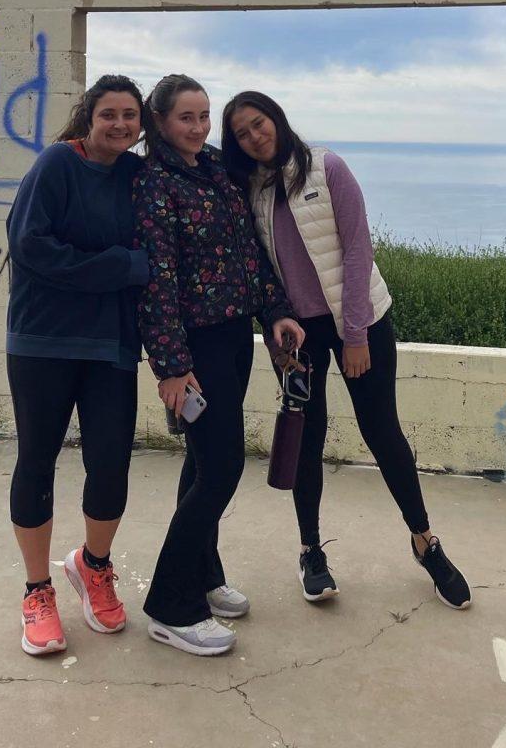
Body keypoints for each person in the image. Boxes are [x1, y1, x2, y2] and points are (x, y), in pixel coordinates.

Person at [222, 90, 471, 611]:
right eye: (242, 133)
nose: (253, 137)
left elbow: (358, 249)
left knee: (383, 432)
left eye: (258, 124)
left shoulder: (327, 167)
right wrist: (274, 328)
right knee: (305, 439)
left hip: (360, 320)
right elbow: (261, 268)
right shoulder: (250, 187)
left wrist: (355, 333)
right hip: (298, 335)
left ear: (277, 119)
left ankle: (425, 541)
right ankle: (311, 552)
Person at [133, 74, 305, 657]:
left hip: (233, 336)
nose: (200, 127)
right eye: (187, 117)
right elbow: (156, 282)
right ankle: (170, 606)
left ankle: (202, 576)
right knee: (224, 466)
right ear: (159, 121)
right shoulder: (152, 183)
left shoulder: (212, 166)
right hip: (193, 347)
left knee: (202, 465)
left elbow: (247, 251)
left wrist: (275, 310)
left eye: (205, 115)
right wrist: (172, 367)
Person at [5, 74, 150, 657]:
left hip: (111, 343)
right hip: (42, 339)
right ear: (89, 116)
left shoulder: (139, 176)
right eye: (109, 113)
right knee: (37, 460)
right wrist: (122, 266)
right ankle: (37, 591)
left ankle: (93, 567)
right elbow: (31, 246)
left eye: (131, 116)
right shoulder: (55, 166)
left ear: (143, 126)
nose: (120, 124)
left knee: (111, 462)